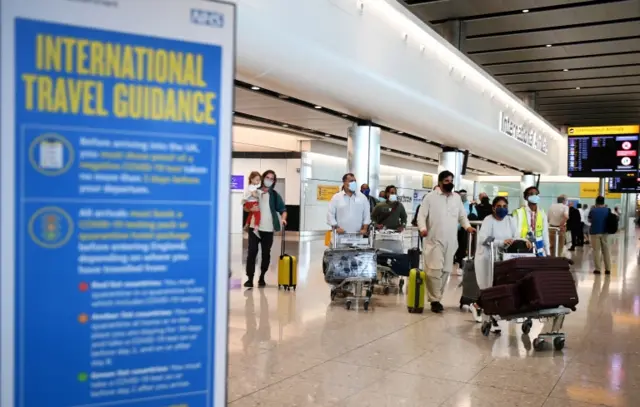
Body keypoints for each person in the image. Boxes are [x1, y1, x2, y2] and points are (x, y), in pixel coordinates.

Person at [417, 171, 474, 313]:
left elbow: (462, 216)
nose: (450, 183)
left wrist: (467, 227)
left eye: (451, 180)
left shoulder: (456, 198)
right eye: (447, 181)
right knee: (434, 271)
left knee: (446, 271)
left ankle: (437, 298)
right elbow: (421, 216)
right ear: (440, 182)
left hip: (451, 241)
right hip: (434, 240)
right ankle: (435, 300)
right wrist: (423, 228)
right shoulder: (430, 197)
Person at [470, 197, 530, 325]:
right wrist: (500, 242)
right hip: (487, 258)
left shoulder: (510, 220)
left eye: (504, 206)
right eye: (499, 206)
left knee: (499, 286)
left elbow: (516, 236)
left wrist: (525, 241)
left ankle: (488, 310)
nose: (502, 208)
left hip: (503, 258)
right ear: (493, 208)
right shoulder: (488, 220)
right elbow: (483, 239)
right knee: (488, 287)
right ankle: (486, 315)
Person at [244, 170, 288, 288]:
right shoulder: (255, 191)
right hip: (254, 228)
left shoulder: (274, 195)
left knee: (266, 254)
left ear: (274, 181)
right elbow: (245, 206)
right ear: (263, 178)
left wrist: (283, 219)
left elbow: (283, 210)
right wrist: (249, 209)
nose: (269, 180)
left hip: (268, 230)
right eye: (267, 177)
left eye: (271, 178)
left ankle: (262, 276)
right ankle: (250, 278)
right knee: (252, 252)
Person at [513, 186, 550, 256]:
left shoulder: (542, 213)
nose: (534, 196)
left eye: (536, 194)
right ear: (526, 197)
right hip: (523, 249)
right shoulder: (518, 213)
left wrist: (548, 252)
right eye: (531, 194)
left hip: (539, 251)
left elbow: (545, 234)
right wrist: (525, 240)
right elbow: (514, 233)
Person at [454, 189, 478, 271]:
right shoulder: (454, 204)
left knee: (462, 246)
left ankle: (460, 263)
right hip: (454, 229)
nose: (462, 196)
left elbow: (474, 215)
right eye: (461, 195)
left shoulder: (470, 206)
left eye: (464, 195)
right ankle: (455, 259)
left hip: (464, 230)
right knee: (454, 246)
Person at [589, 196, 612, 275]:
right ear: (603, 202)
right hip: (605, 233)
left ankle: (598, 269)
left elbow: (590, 220)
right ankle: (608, 269)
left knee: (596, 251)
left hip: (595, 232)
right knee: (606, 251)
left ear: (596, 202)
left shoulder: (593, 210)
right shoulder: (608, 210)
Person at [243, 171, 263, 237]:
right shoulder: (252, 187)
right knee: (258, 215)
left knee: (250, 214)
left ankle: (246, 224)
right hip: (252, 202)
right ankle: (256, 228)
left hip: (247, 203)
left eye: (259, 180)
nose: (258, 182)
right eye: (257, 180)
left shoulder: (249, 186)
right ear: (251, 179)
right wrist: (258, 196)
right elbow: (254, 194)